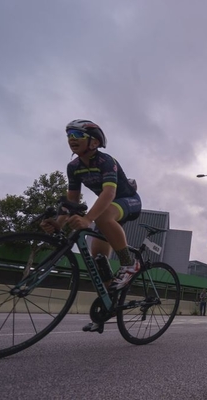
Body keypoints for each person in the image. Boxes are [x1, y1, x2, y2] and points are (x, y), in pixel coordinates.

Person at [41, 119, 142, 333]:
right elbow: (72, 202)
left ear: (94, 142)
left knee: (102, 217)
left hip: (128, 201)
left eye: (77, 135)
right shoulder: (73, 167)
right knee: (98, 259)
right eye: (69, 135)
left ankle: (129, 263)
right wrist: (58, 224)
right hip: (107, 209)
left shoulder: (106, 161)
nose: (71, 139)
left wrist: (88, 219)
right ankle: (109, 304)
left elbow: (109, 193)